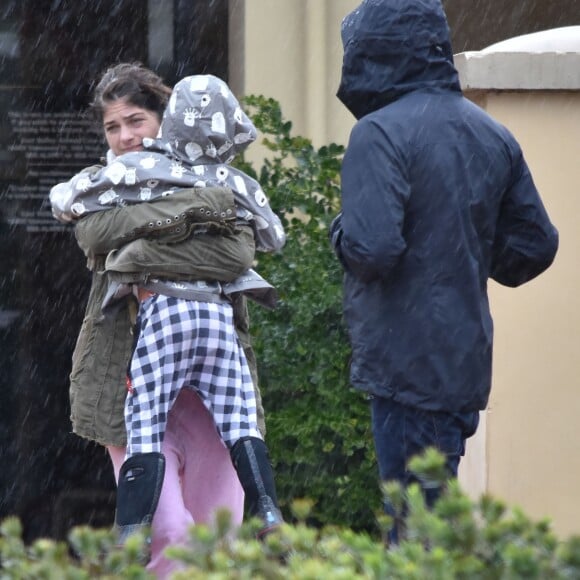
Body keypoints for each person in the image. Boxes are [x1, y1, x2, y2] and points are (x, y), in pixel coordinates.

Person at [330, 0, 559, 544]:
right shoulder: (490, 132)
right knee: (425, 521)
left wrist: (339, 231)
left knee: (413, 535)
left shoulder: (379, 133)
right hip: (463, 360)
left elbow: (372, 249)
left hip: (405, 363)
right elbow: (535, 244)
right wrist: (466, 253)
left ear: (374, 51)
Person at [49, 63, 274, 578]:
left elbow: (237, 253)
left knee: (218, 536)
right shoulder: (105, 190)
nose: (126, 137)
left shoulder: (219, 180)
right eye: (112, 127)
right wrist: (190, 215)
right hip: (129, 382)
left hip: (212, 391)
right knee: (165, 531)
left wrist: (139, 250)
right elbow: (93, 236)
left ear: (165, 120)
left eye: (136, 120)